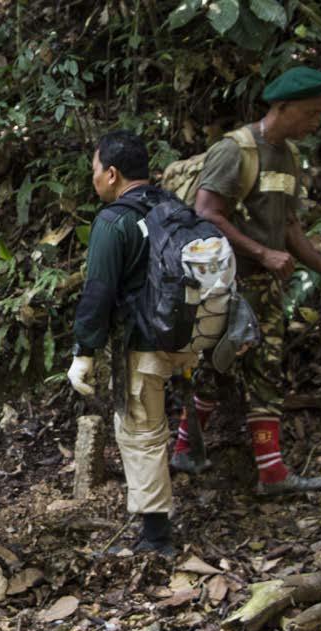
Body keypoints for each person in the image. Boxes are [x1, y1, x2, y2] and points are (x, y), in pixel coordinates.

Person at [172, 66, 321, 495]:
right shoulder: (237, 151)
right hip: (227, 286)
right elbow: (206, 213)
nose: (315, 123)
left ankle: (233, 461)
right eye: (310, 113)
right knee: (235, 368)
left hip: (264, 290)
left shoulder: (289, 157)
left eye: (320, 114)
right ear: (281, 107)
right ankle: (229, 462)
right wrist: (261, 252)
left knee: (246, 368)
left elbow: (290, 227)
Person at [67, 130, 195, 557]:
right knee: (172, 407)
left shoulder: (113, 221)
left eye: (95, 170)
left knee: (140, 430)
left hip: (145, 340)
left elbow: (98, 292)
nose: (94, 179)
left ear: (113, 173)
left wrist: (84, 351)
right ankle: (194, 454)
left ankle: (156, 537)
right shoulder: (174, 206)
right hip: (193, 333)